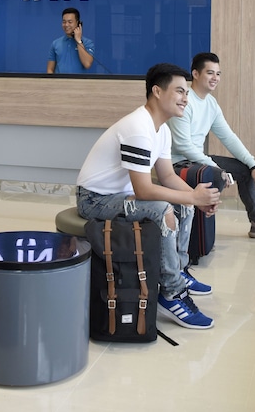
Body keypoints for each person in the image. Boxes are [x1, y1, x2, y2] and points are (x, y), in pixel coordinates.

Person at [76, 63, 222, 330]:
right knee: (163, 209)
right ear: (157, 91)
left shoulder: (162, 129)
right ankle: (172, 293)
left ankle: (179, 272)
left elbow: (167, 176)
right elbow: (143, 190)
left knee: (184, 205)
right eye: (179, 91)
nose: (185, 99)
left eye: (186, 93)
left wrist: (195, 198)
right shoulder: (138, 127)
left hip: (121, 195)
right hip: (94, 200)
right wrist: (193, 197)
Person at [168, 52, 255, 238]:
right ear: (195, 74)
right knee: (215, 174)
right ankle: (200, 235)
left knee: (245, 170)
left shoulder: (211, 104)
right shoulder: (185, 101)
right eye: (210, 73)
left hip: (197, 161)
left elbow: (228, 137)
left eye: (218, 74)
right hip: (177, 163)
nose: (215, 78)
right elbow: (183, 146)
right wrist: (216, 168)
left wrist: (253, 165)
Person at [47, 7, 95, 74]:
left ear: (78, 23)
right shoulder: (55, 43)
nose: (66, 25)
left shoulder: (88, 43)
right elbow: (50, 69)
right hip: (59, 80)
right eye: (64, 22)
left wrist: (78, 41)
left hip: (79, 81)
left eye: (70, 22)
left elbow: (87, 64)